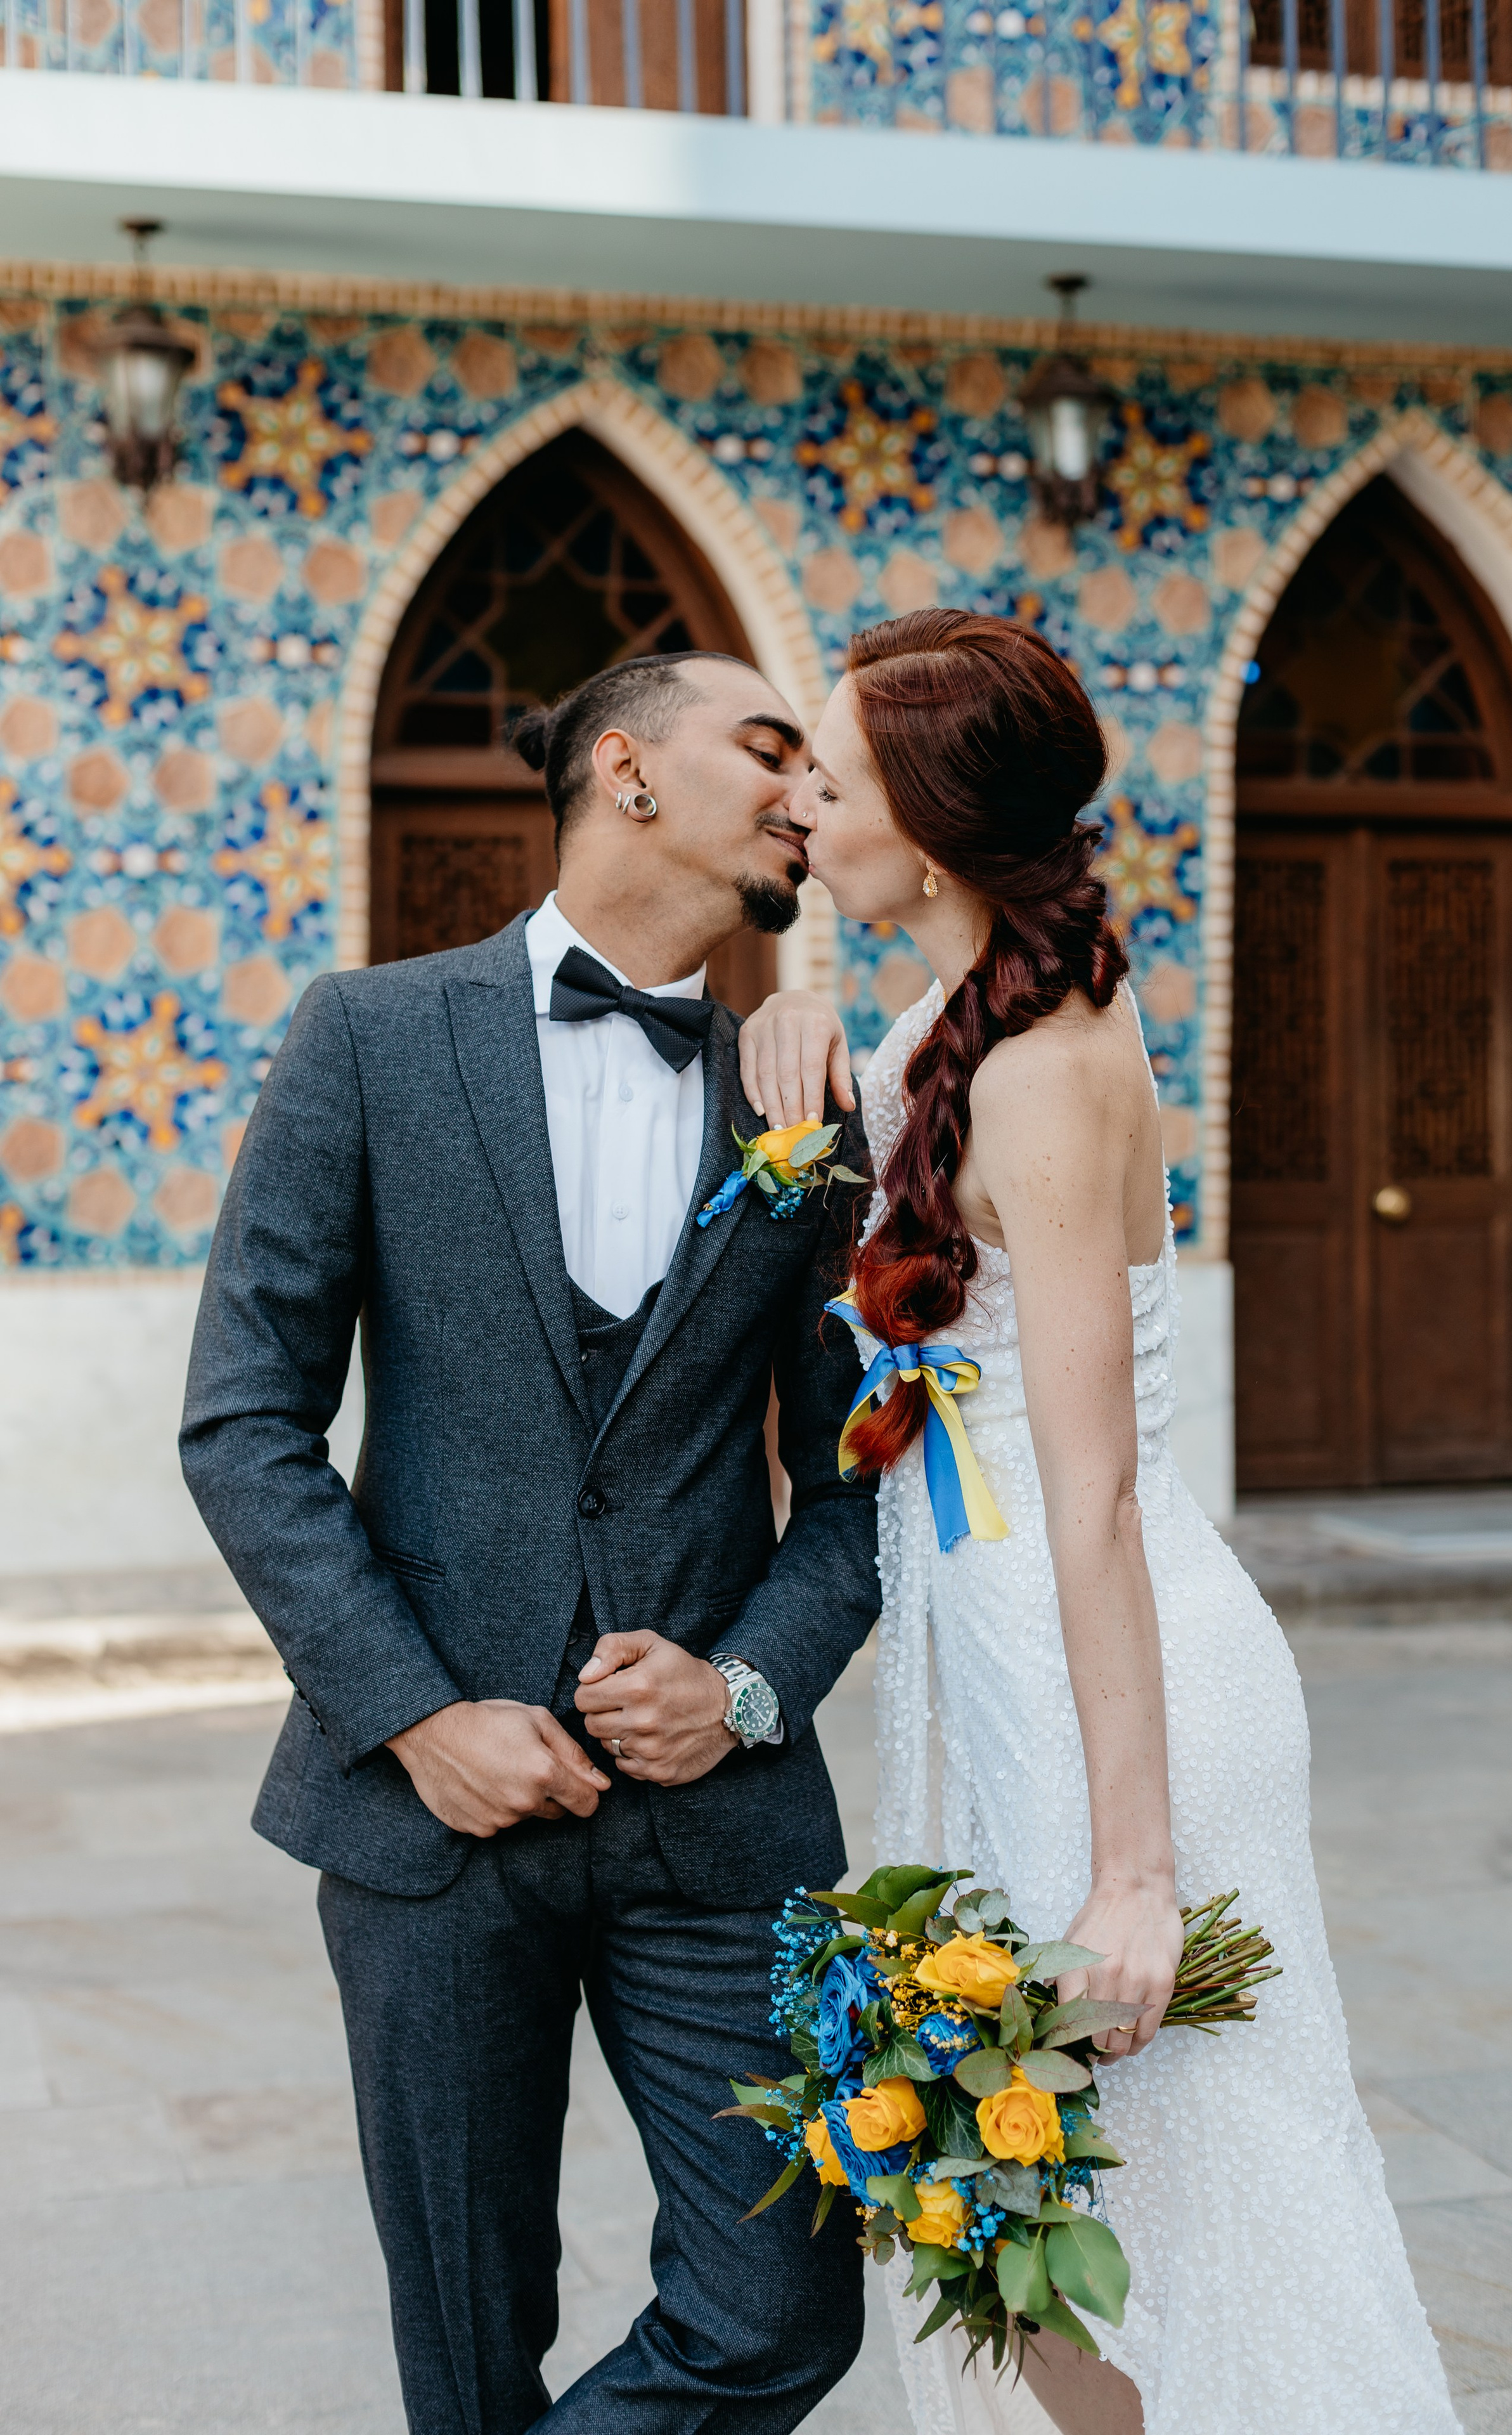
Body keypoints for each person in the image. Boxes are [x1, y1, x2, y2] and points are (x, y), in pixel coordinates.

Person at [735, 609, 1461, 2435]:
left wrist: (1135, 1871)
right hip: (987, 1654)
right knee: (1011, 2205)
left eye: (834, 772)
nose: (805, 801)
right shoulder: (953, 1014)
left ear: (931, 823)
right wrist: (806, 1024)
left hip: (1099, 1677)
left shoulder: (1047, 1064)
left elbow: (1101, 1487)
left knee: (1156, 2213)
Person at [179, 651, 879, 2435]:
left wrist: (745, 1685)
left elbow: (861, 1477)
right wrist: (418, 1716)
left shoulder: (804, 1100)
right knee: (469, 2345)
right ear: (629, 773)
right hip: (428, 1822)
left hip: (717, 1834)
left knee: (783, 2305)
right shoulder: (370, 1035)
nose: (810, 796)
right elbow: (244, 1418)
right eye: (772, 753)